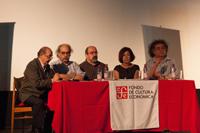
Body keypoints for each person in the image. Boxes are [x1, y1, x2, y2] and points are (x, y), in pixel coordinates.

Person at [19, 47, 60, 133]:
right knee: (39, 103)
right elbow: (36, 84)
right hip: (28, 94)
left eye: (51, 57)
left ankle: (49, 129)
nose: (50, 59)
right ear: (41, 55)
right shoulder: (32, 65)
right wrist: (52, 80)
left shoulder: (47, 67)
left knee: (54, 102)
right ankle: (36, 129)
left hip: (40, 94)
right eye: (48, 56)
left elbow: (55, 77)